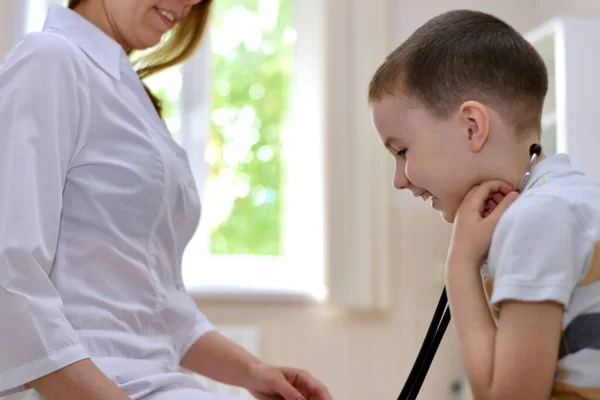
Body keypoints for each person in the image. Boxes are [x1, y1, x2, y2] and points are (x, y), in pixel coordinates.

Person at [0, 1, 333, 400]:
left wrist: (254, 371)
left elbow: (158, 304)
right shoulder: (49, 62)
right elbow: (9, 275)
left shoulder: (125, 92)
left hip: (149, 380)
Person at [368, 9, 600, 400]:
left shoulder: (538, 218)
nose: (400, 179)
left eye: (403, 151)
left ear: (472, 127)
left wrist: (459, 266)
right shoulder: (567, 199)